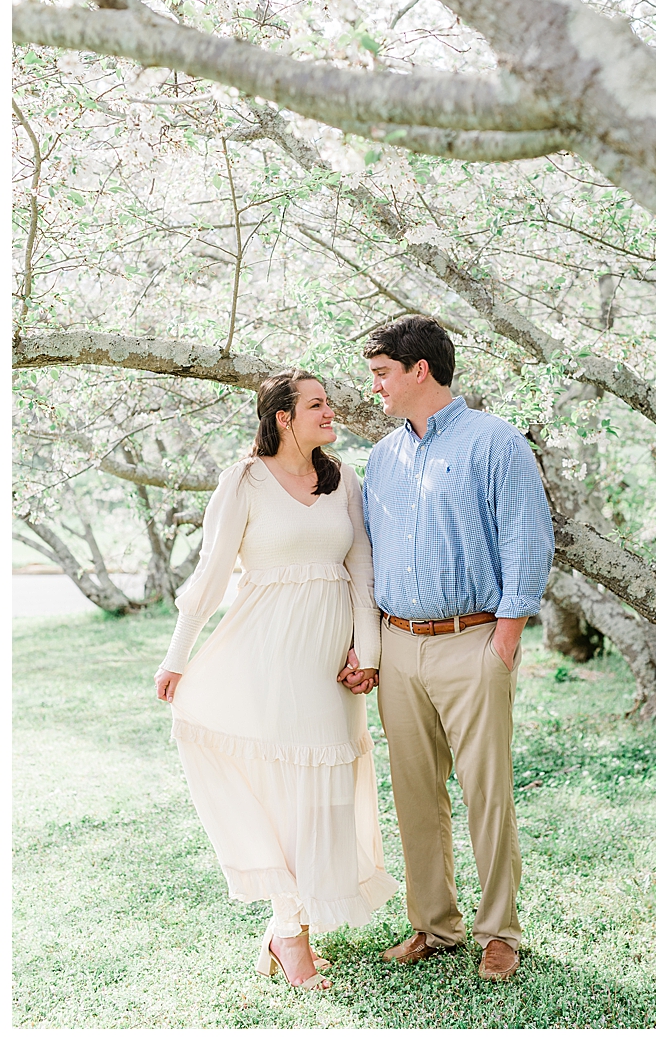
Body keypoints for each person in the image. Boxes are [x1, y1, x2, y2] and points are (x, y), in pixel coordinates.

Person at [154, 370, 399, 992]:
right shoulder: (243, 481)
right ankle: (290, 935)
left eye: (330, 403)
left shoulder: (343, 479)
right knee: (283, 794)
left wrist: (365, 652)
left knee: (324, 794)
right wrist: (177, 656)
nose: (331, 411)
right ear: (283, 417)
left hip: (326, 667)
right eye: (318, 404)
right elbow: (210, 576)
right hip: (264, 655)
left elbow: (362, 570)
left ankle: (286, 929)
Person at [341, 315, 554, 982]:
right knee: (413, 794)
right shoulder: (383, 456)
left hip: (475, 642)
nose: (373, 387)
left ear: (418, 370)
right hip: (399, 645)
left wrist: (506, 638)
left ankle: (499, 934)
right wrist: (369, 645)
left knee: (486, 792)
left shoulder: (496, 443)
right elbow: (368, 555)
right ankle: (433, 927)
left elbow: (527, 539)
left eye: (381, 374)